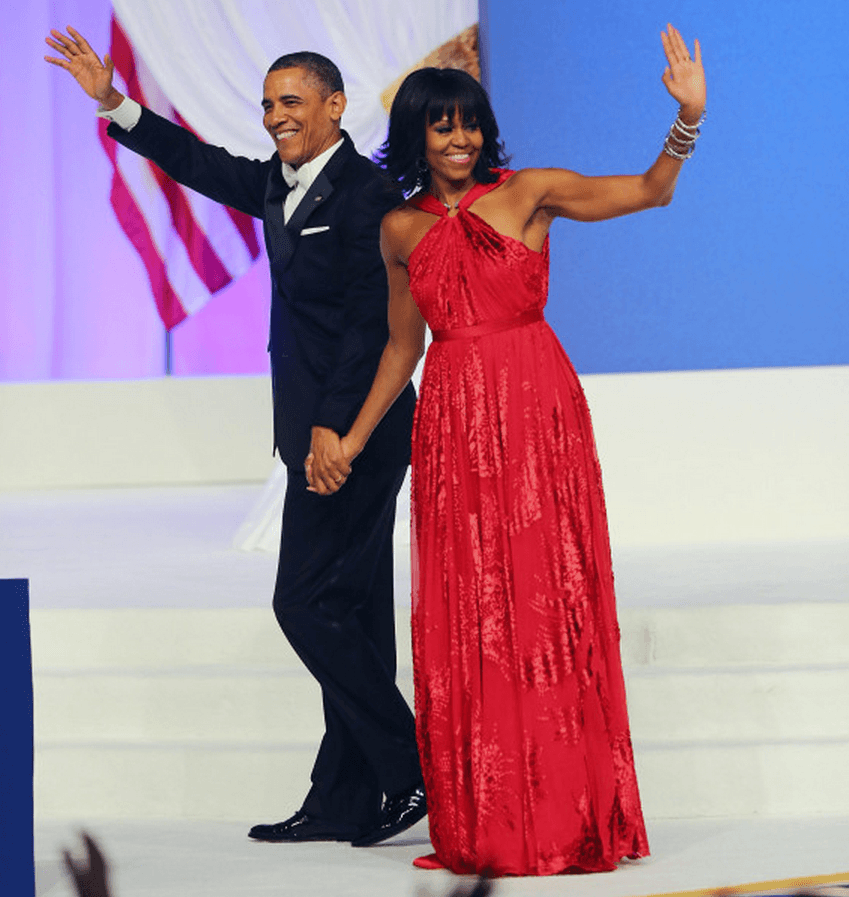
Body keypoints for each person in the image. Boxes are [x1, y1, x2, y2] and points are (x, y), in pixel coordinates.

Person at [306, 24, 706, 875]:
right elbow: (400, 349)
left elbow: (650, 192)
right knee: (473, 611)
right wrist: (353, 435)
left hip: (533, 412)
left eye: (470, 124)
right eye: (442, 125)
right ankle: (491, 817)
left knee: (541, 597)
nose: (460, 139)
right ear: (416, 134)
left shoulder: (529, 193)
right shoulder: (400, 229)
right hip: (451, 425)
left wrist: (686, 120)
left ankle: (564, 810)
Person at [44, 28, 425, 846]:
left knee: (304, 603)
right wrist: (114, 102)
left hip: (355, 432)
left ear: (335, 105)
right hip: (313, 432)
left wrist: (335, 431)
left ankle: (410, 764)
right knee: (350, 611)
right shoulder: (278, 184)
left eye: (292, 101)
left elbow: (369, 327)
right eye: (267, 104)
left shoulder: (368, 195)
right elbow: (197, 162)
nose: (275, 115)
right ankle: (344, 798)